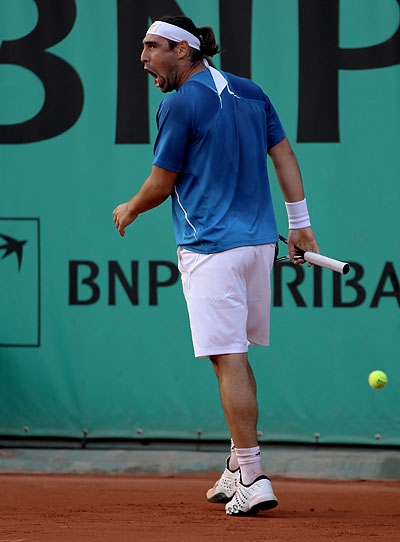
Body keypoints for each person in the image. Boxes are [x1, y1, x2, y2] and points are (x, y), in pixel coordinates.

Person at [113, 15, 319, 516]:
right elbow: (284, 156)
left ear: (183, 51)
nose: (143, 57)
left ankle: (252, 476)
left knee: (228, 358)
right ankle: (235, 462)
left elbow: (161, 183)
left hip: (210, 248)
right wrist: (300, 223)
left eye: (153, 47)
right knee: (232, 356)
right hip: (257, 247)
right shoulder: (251, 92)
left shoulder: (179, 103)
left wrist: (130, 208)